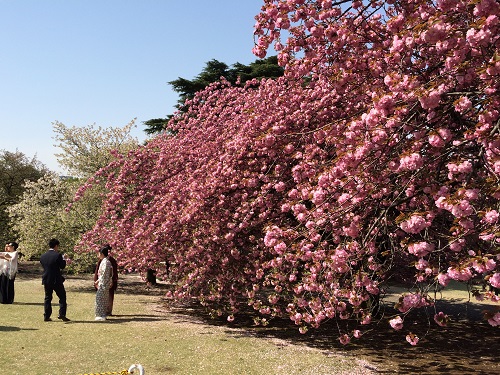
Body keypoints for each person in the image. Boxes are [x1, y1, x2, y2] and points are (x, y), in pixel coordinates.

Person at [40, 238, 69, 322]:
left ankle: (46, 315)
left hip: (46, 279)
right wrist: (64, 259)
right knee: (62, 296)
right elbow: (62, 266)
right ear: (56, 246)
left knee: (48, 297)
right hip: (56, 279)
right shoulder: (57, 255)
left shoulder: (43, 256)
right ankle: (62, 314)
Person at [93, 244, 118, 316]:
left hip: (105, 282)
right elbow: (98, 271)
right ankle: (104, 312)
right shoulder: (105, 261)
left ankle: (106, 312)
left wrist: (112, 280)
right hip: (105, 282)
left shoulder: (108, 261)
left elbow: (109, 273)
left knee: (105, 297)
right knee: (104, 297)